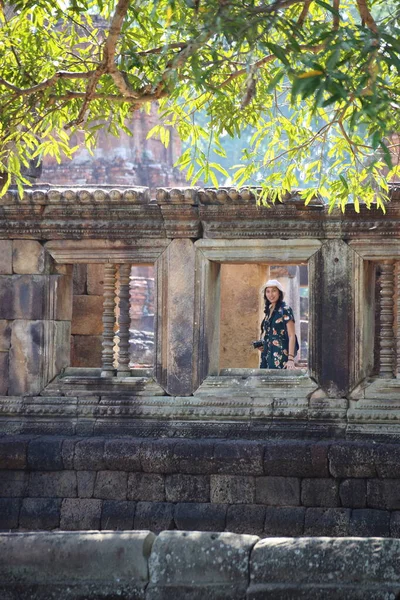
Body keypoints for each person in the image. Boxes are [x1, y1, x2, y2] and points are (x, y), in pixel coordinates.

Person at [258, 279, 297, 370]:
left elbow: (292, 335)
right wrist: (263, 345)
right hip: (266, 355)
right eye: (268, 291)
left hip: (280, 355)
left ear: (279, 293)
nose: (271, 294)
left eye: (274, 291)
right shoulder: (269, 311)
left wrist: (290, 359)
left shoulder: (286, 310)